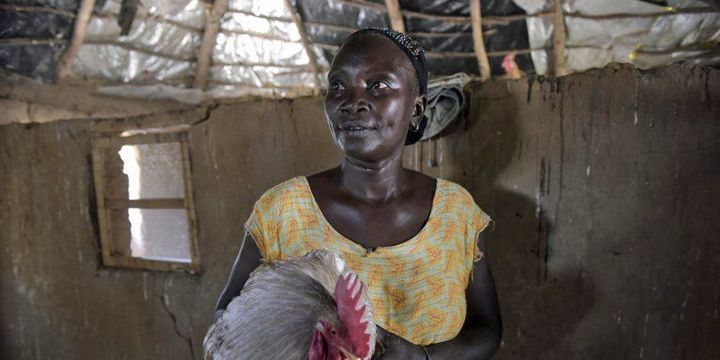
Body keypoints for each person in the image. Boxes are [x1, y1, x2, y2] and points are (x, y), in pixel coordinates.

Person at [214, 28, 502, 359]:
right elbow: (226, 321)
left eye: (377, 85)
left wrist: (420, 357)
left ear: (417, 109)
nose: (352, 102)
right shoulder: (282, 211)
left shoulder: (457, 212)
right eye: (337, 86)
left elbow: (487, 329)